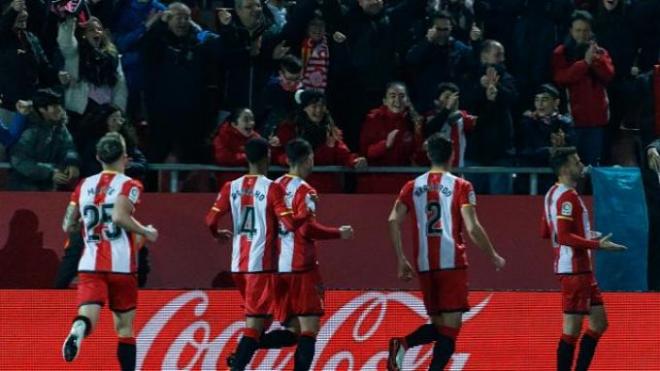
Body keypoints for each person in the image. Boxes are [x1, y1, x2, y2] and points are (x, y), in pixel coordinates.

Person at [387, 133, 506, 371]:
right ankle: (405, 343)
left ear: (429, 155)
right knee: (450, 330)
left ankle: (402, 344)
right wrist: (492, 254)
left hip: (425, 264)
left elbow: (392, 220)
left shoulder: (412, 186)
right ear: (452, 155)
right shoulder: (461, 185)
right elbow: (472, 227)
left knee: (441, 326)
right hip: (451, 263)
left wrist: (401, 259)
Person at [250, 138, 353, 370]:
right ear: (308, 160)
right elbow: (306, 229)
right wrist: (340, 233)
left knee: (294, 331)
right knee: (309, 328)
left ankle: (248, 347)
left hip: (276, 268)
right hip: (301, 267)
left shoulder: (272, 187)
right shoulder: (306, 191)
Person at [205, 137, 307, 371]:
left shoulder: (230, 186)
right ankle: (238, 362)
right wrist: (306, 215)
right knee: (254, 326)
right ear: (267, 157)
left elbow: (210, 219)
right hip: (261, 267)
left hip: (239, 266)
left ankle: (243, 352)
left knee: (292, 329)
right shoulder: (272, 188)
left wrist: (216, 234)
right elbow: (290, 224)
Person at [60, 132, 158, 371]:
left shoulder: (83, 185)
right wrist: (146, 231)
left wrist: (81, 226)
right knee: (125, 329)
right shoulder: (130, 185)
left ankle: (78, 330)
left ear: (97, 157)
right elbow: (119, 217)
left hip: (91, 264)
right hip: (122, 265)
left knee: (87, 316)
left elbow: (67, 224)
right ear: (125, 157)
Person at [541, 147, 627, 371]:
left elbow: (546, 230)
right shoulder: (567, 197)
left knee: (599, 323)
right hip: (574, 269)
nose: (581, 166)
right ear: (565, 168)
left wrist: (586, 235)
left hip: (580, 269)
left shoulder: (552, 193)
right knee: (571, 330)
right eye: (577, 162)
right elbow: (564, 235)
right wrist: (597, 244)